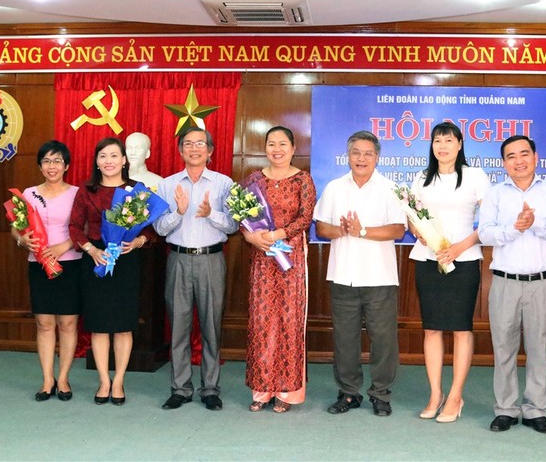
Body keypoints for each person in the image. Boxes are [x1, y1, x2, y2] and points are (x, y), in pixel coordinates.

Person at [478, 135, 546, 434]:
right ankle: (505, 408)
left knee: (538, 348)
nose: (518, 161)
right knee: (503, 347)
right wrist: (514, 229)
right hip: (505, 281)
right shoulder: (495, 194)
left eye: (524, 154)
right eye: (511, 156)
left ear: (535, 157)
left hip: (541, 284)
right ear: (503, 163)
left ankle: (535, 410)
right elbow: (485, 234)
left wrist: (536, 224)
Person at [313, 130, 406, 417]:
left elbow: (398, 229)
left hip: (380, 277)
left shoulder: (391, 188)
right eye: (356, 152)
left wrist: (362, 231)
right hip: (343, 276)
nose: (361, 158)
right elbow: (320, 228)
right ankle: (349, 393)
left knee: (384, 340)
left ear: (377, 157)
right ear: (348, 155)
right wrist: (341, 230)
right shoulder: (334, 188)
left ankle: (380, 394)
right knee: (345, 339)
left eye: (368, 153)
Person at [409, 122, 490, 423]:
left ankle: (455, 396)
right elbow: (412, 217)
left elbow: (490, 219)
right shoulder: (421, 177)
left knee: (460, 328)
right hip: (427, 259)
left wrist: (459, 247)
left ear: (459, 144)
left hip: (464, 260)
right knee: (431, 328)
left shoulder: (475, 176)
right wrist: (417, 231)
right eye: (436, 141)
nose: (442, 146)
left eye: (448, 140)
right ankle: (435, 394)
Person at [154, 126, 238, 412]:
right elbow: (159, 228)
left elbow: (233, 225)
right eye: (188, 144)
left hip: (211, 260)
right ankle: (180, 388)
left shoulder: (223, 183)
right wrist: (179, 212)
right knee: (178, 325)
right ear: (180, 151)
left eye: (200, 144)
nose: (194, 148)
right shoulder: (167, 185)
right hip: (178, 259)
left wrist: (209, 213)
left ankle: (211, 388)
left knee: (211, 326)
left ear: (210, 151)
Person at [68, 137, 156, 406]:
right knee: (99, 325)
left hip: (126, 260)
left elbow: (151, 229)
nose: (109, 161)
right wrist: (91, 250)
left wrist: (140, 241)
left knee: (123, 326)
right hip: (96, 259)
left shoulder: (137, 190)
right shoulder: (87, 190)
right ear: (97, 161)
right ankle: (103, 381)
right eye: (103, 156)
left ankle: (119, 382)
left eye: (114, 156)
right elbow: (74, 226)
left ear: (124, 160)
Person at [241, 126, 316, 414]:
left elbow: (305, 217)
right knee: (262, 320)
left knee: (289, 320)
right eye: (271, 144)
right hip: (262, 258)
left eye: (282, 144)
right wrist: (252, 237)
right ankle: (262, 390)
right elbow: (243, 217)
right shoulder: (253, 180)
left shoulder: (302, 180)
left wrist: (279, 234)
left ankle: (287, 391)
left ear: (293, 148)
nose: (277, 149)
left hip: (290, 258)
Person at [12, 140, 81, 402]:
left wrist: (64, 246)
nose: (52, 166)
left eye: (57, 161)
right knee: (44, 323)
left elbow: (85, 228)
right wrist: (21, 240)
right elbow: (16, 226)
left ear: (66, 166)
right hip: (38, 263)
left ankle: (63, 379)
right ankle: (47, 380)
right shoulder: (28, 194)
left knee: (67, 322)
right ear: (40, 166)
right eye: (47, 161)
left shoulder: (77, 193)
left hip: (70, 263)